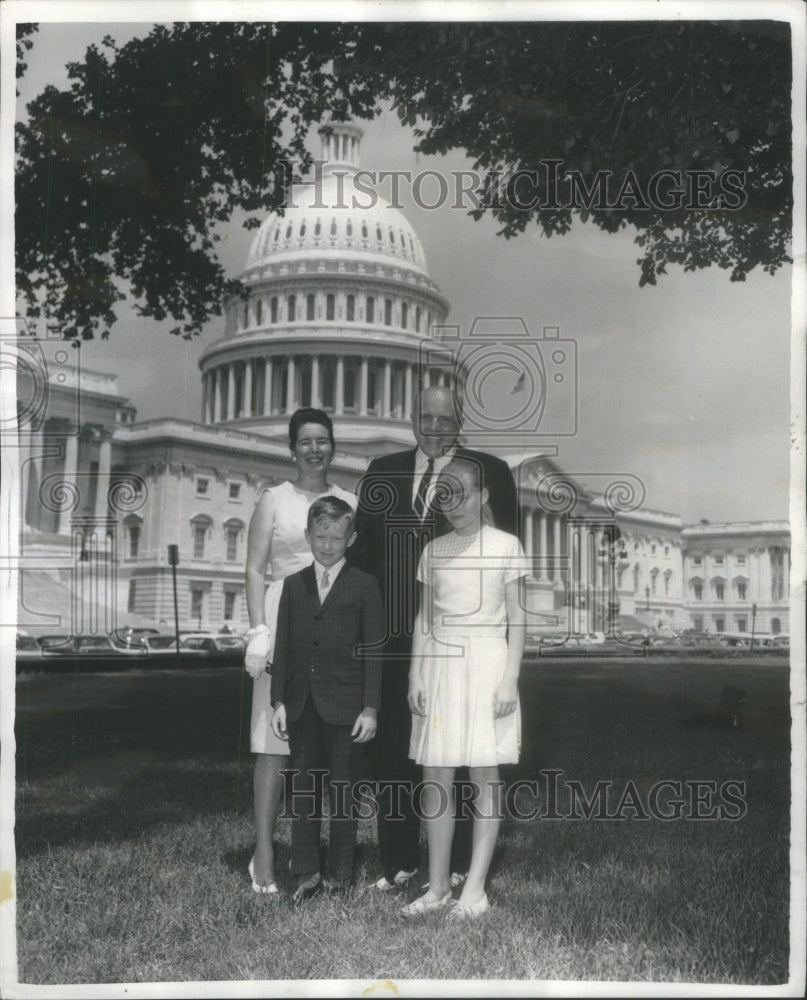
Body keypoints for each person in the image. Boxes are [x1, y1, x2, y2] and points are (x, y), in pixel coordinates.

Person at [354, 384, 519, 891]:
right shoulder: (381, 471)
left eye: (445, 419)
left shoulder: (490, 470)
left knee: (466, 750)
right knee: (397, 751)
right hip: (393, 636)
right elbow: (363, 556)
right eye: (425, 417)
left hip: (463, 639)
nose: (434, 427)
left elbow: (503, 559)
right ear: (412, 418)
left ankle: (462, 863)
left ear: (460, 421)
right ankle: (399, 860)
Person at [402, 457, 527, 919]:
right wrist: (415, 673)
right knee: (436, 776)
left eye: (463, 495)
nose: (453, 505)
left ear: (483, 496)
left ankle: (474, 889)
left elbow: (517, 618)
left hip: (488, 665)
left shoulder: (506, 545)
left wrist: (510, 678)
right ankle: (437, 887)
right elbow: (425, 617)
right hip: (440, 666)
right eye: (445, 497)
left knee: (484, 777)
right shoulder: (434, 550)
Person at [243, 408, 357, 894]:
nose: (315, 449)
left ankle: (315, 852)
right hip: (281, 619)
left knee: (323, 745)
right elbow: (254, 568)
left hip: (331, 627)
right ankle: (264, 852)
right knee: (274, 745)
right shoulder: (274, 499)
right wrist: (258, 630)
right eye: (306, 441)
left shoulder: (349, 501)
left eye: (323, 440)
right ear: (292, 449)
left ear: (333, 446)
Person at [270, 496, 384, 899]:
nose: (328, 545)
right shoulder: (293, 585)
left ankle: (340, 874)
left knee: (343, 793)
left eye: (337, 538)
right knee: (303, 792)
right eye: (320, 537)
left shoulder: (365, 585)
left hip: (348, 709)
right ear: (307, 535)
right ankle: (305, 872)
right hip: (301, 705)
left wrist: (370, 708)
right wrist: (278, 701)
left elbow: (374, 652)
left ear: (351, 538)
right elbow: (283, 647)